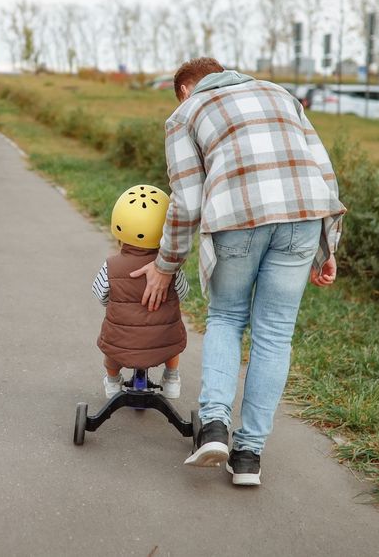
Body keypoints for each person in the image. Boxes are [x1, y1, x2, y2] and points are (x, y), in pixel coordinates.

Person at [131, 57, 346, 487]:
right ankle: (249, 456)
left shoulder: (186, 113)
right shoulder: (280, 94)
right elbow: (324, 171)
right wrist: (329, 245)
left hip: (237, 219)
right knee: (275, 333)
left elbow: (187, 201)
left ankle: (212, 429)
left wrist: (164, 264)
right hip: (304, 218)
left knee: (227, 318)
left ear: (187, 89)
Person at [91, 185, 191, 399]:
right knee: (172, 348)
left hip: (121, 342)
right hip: (162, 341)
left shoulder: (111, 266)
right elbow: (183, 293)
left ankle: (113, 381)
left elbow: (100, 294)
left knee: (112, 353)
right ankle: (172, 377)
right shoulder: (170, 270)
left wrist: (115, 302)